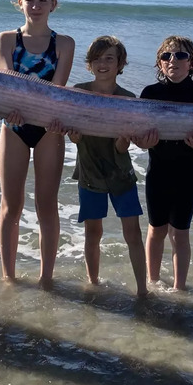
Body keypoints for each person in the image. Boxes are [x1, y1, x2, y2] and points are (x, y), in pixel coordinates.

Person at [0, 0, 75, 288]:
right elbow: (6, 80)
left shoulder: (64, 44)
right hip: (13, 126)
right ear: (19, 3)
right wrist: (11, 105)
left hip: (49, 128)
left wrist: (45, 115)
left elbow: (57, 90)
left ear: (54, 4)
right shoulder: (6, 40)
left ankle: (46, 279)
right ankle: (9, 278)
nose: (36, 5)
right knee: (10, 205)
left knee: (46, 204)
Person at [66, 36, 150, 297]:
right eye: (97, 58)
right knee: (93, 232)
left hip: (120, 175)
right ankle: (93, 283)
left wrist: (124, 140)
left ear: (120, 63)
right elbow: (75, 137)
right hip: (89, 173)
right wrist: (71, 133)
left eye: (109, 58)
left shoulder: (128, 99)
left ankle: (142, 290)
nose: (102, 63)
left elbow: (122, 148)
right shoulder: (77, 92)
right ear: (89, 64)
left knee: (133, 233)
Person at [139, 36, 193, 291]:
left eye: (180, 56)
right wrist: (145, 142)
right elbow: (139, 138)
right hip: (158, 173)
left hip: (187, 174)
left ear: (192, 62)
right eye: (167, 56)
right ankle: (152, 281)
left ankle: (180, 288)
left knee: (180, 233)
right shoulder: (150, 94)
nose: (173, 60)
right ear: (160, 64)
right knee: (156, 230)